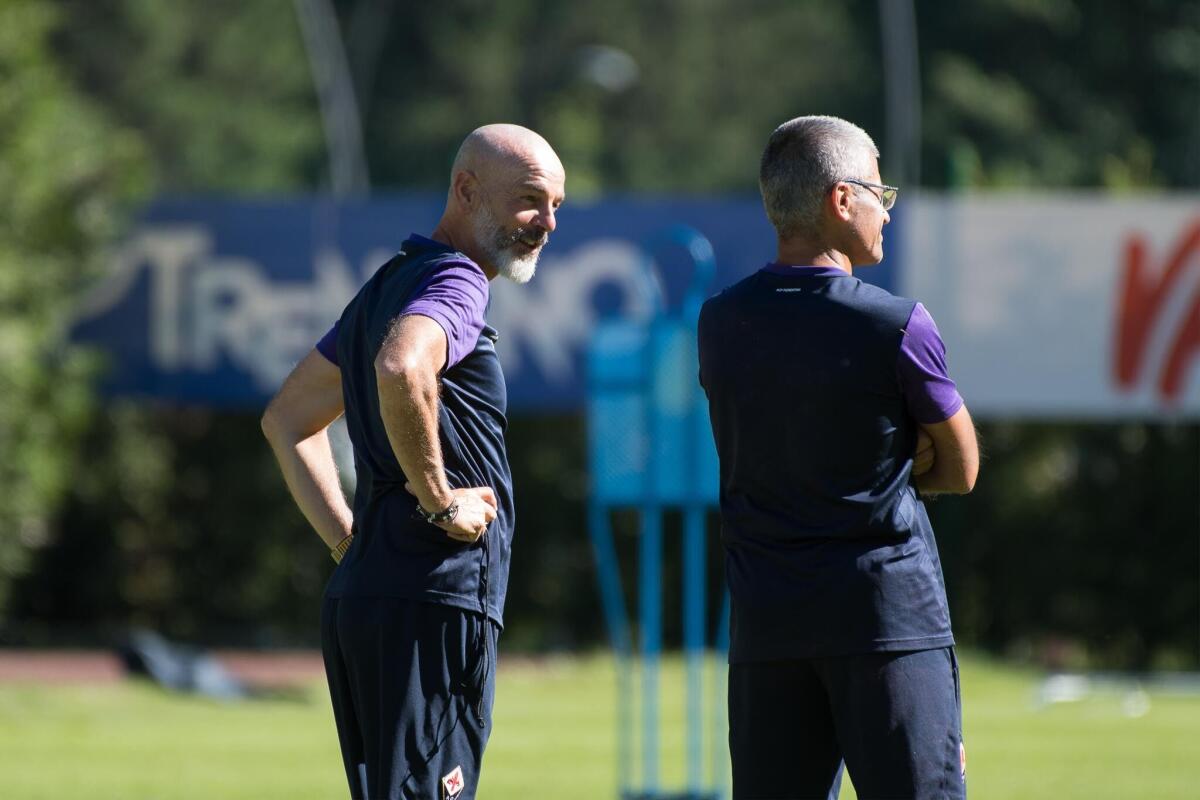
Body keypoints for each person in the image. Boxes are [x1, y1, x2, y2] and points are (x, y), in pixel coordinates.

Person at [261, 123, 565, 800]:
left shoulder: (389, 283)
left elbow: (285, 421)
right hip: (431, 600)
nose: (546, 222)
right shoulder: (456, 279)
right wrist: (440, 499)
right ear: (466, 190)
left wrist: (349, 544)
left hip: (367, 600)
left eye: (556, 208)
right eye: (530, 200)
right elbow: (402, 366)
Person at [697, 115, 979, 800]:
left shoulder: (719, 320)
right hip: (885, 619)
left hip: (768, 623)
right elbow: (963, 468)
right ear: (840, 199)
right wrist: (901, 467)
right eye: (880, 192)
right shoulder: (896, 323)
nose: (887, 211)